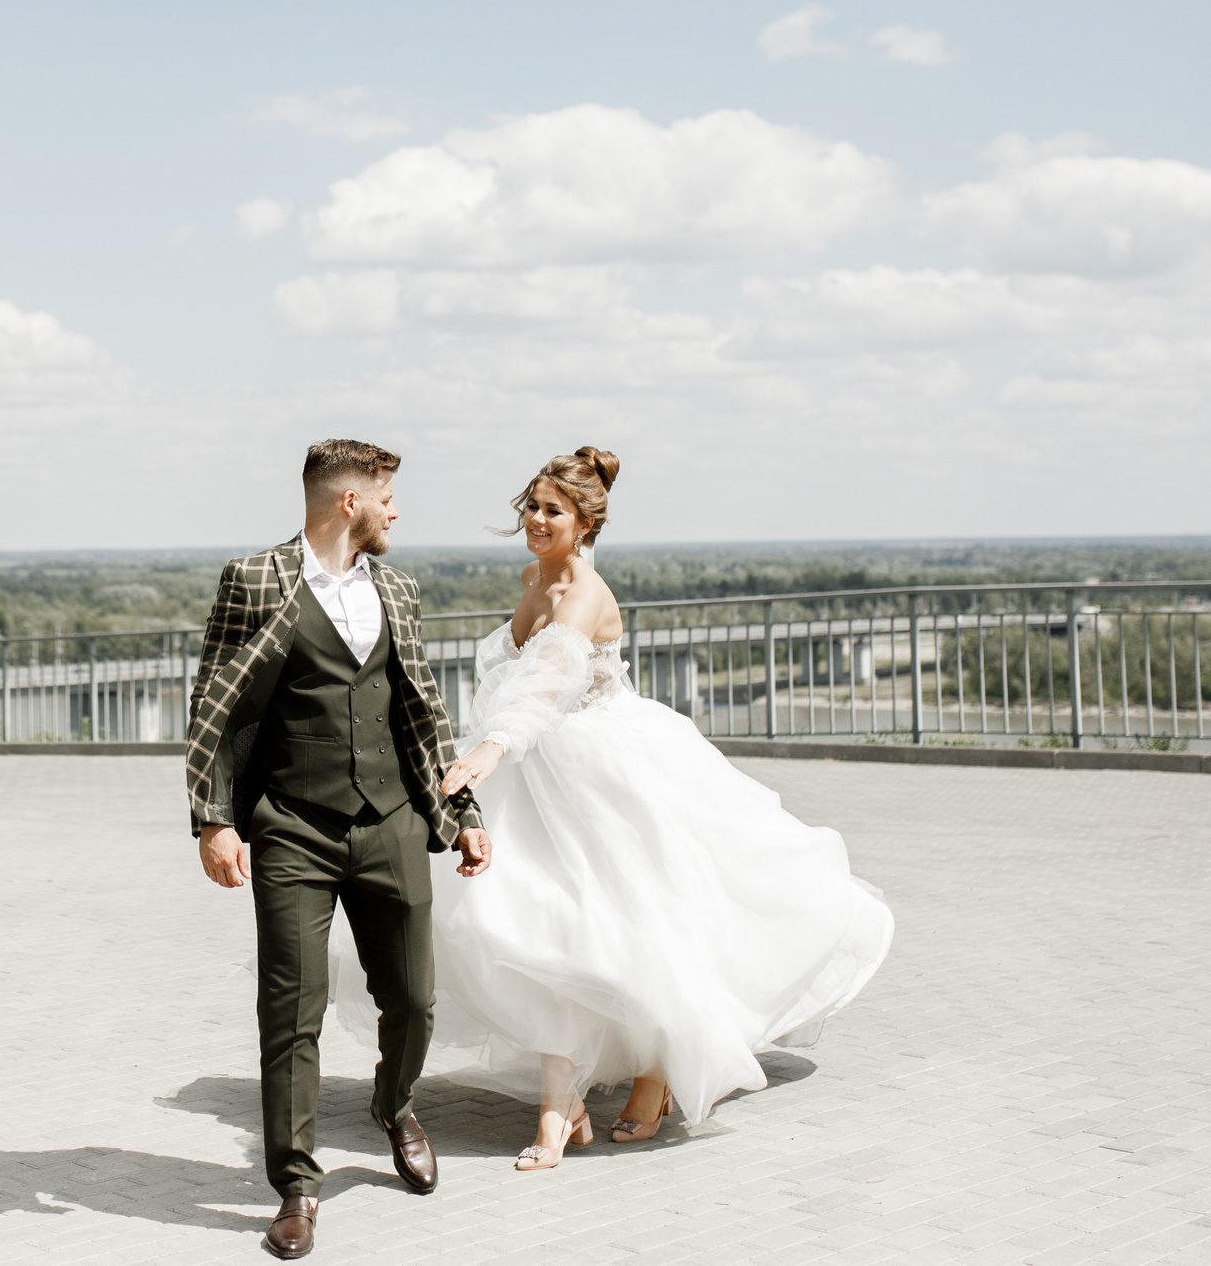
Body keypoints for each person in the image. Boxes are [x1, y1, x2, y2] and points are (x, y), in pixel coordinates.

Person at [417, 447, 893, 1169]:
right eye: (531, 506)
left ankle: (651, 1074)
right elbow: (516, 677)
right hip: (538, 772)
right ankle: (564, 1101)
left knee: (636, 925)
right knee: (534, 927)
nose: (536, 520)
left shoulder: (586, 594)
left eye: (552, 510)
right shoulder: (533, 578)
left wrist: (491, 748)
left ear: (585, 523)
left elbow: (547, 682)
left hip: (601, 769)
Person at [185, 439, 493, 1260]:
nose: (396, 511)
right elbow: (214, 700)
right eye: (387, 496)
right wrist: (213, 818)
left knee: (414, 998)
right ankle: (296, 1185)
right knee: (292, 1008)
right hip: (294, 824)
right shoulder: (255, 579)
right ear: (349, 500)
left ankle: (395, 1105)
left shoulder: (399, 589)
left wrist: (461, 809)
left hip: (391, 820)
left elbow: (422, 711)